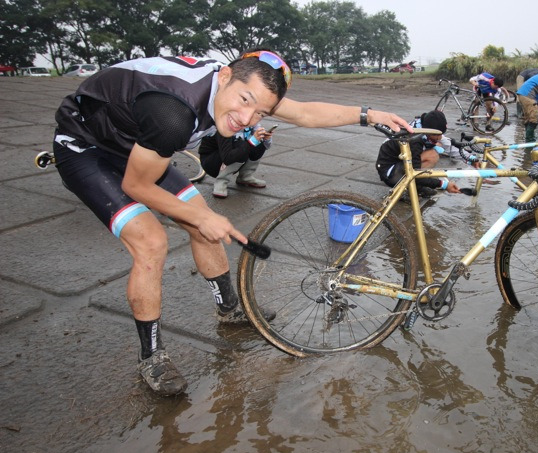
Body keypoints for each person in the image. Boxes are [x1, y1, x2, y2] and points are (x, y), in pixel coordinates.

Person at [52, 50, 410, 396]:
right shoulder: (172, 115)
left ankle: (229, 309)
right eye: (243, 101)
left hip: (140, 144)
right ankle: (153, 357)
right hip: (88, 148)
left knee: (202, 224)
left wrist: (371, 113)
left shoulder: (243, 87)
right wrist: (204, 216)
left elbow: (303, 112)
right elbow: (136, 185)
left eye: (261, 112)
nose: (247, 117)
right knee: (151, 241)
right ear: (224, 76)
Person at [376, 110, 461, 197]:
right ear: (429, 131)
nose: (439, 138)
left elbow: (446, 142)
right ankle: (412, 188)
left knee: (435, 149)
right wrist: (443, 184)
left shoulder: (423, 126)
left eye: (441, 134)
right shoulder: (415, 141)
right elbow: (414, 173)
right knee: (432, 156)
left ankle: (416, 186)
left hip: (394, 161)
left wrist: (469, 158)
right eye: (436, 136)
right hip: (390, 173)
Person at [199, 124, 272, 198]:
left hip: (231, 158)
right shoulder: (225, 124)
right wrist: (252, 141)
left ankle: (245, 177)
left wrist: (265, 138)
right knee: (243, 145)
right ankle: (221, 182)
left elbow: (265, 146)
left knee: (258, 143)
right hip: (212, 161)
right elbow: (227, 157)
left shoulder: (252, 122)